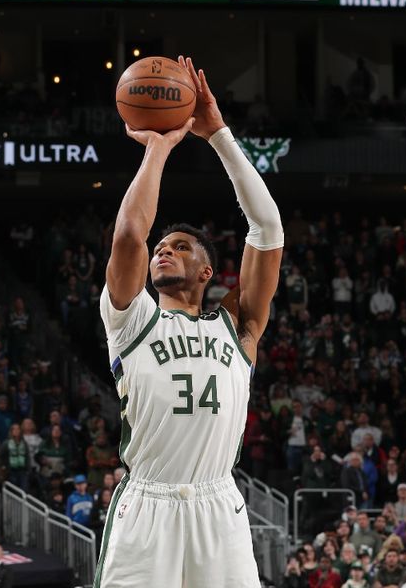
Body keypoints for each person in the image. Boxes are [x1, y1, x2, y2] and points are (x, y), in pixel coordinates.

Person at [95, 56, 284, 588]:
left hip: (216, 502)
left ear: (207, 271)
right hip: (147, 504)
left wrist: (218, 133)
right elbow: (131, 236)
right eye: (162, 247)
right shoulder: (132, 321)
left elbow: (267, 228)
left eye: (178, 247)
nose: (162, 252)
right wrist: (158, 150)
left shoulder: (239, 325)